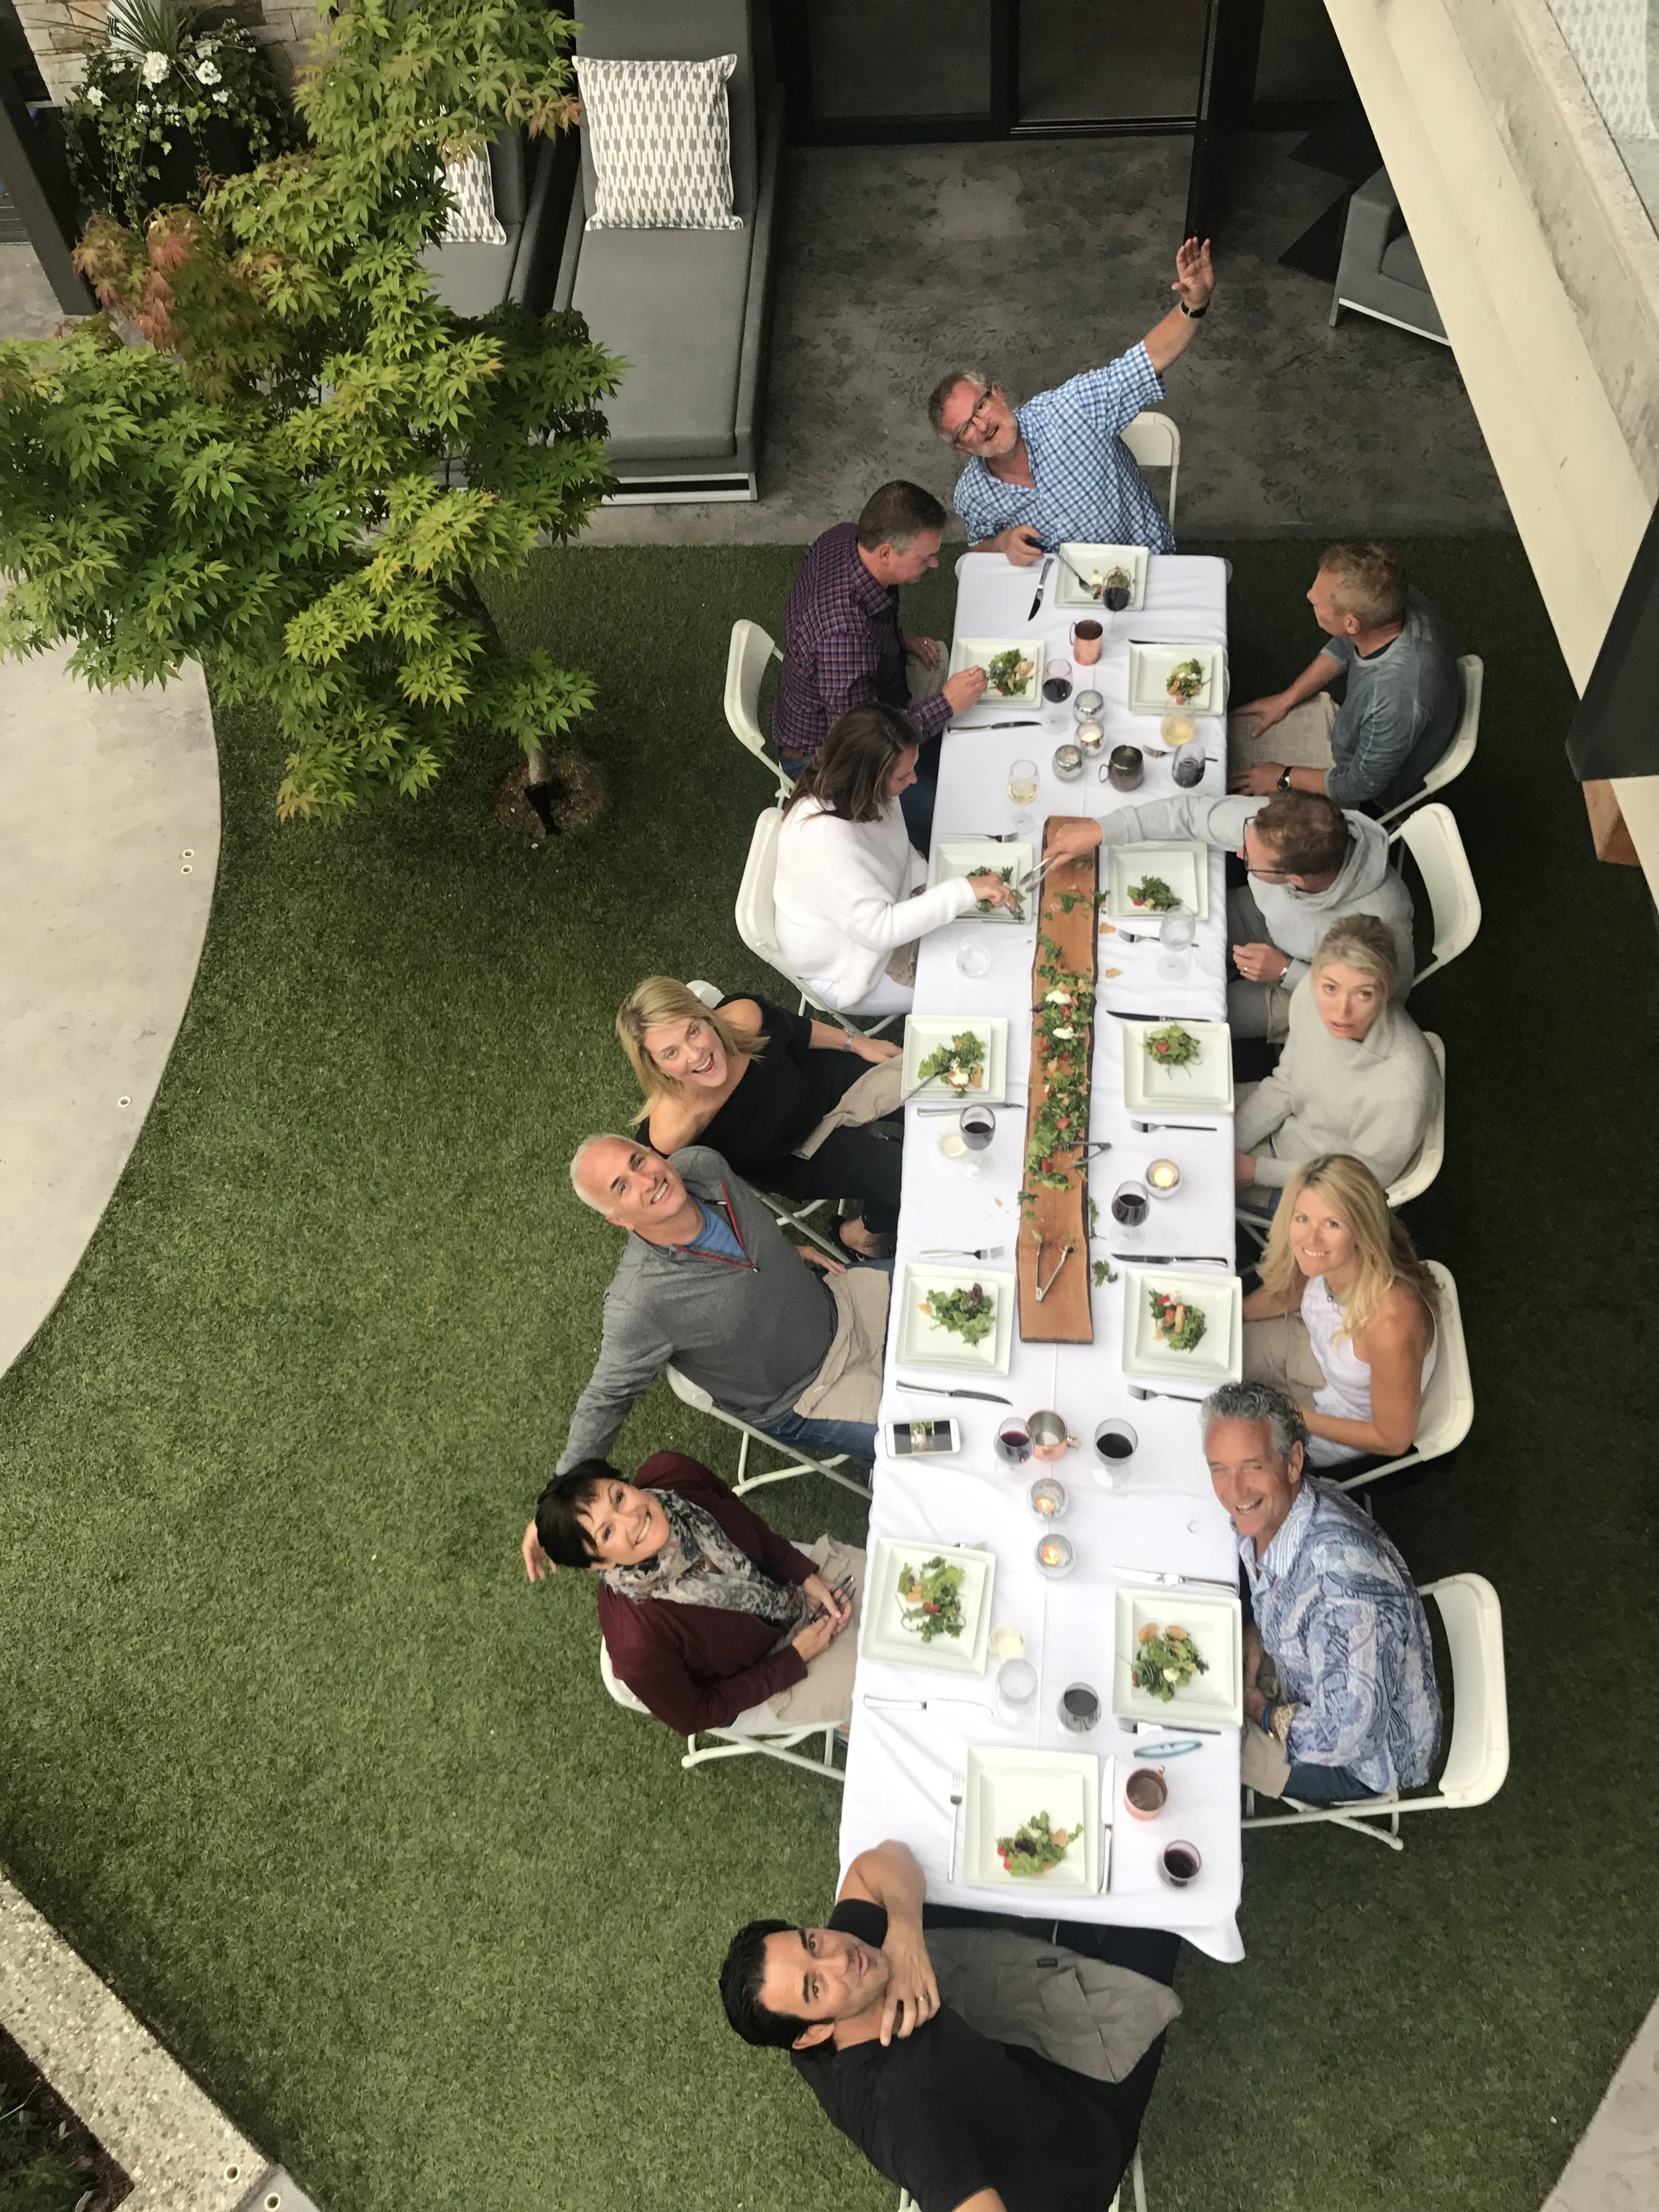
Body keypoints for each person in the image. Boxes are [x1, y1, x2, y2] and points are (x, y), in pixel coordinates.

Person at [719, 1838, 1181, 2212]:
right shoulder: (901, 2111)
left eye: (812, 1940)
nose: (840, 1956)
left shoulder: (840, 1981)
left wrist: (904, 1933)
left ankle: (1074, 1930)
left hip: (1005, 2050)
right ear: (812, 2035)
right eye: (814, 1986)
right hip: (1081, 2121)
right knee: (1164, 1873)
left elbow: (876, 1862)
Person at [554, 1137, 890, 1478]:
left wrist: (788, 1253)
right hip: (810, 1393)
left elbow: (745, 1251)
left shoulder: (704, 1166)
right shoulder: (638, 1303)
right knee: (936, 1426)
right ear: (619, 1220)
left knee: (943, 1288)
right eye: (622, 1187)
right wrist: (561, 1497)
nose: (646, 1180)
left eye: (637, 1162)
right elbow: (607, 1397)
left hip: (838, 1300)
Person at [1201, 1379, 1442, 1803]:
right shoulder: (1274, 1513)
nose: (1233, 1491)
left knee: (1201, 1743)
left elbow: (1349, 1738)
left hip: (1363, 1758)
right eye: (1219, 1468)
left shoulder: (1345, 1596)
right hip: (1310, 1675)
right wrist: (1258, 1632)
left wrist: (1259, 1709)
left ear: (1294, 1462)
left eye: (1253, 1466)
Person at [521, 1449, 862, 1735]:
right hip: (761, 1680)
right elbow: (698, 1714)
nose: (633, 1518)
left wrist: (802, 1574)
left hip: (790, 1588)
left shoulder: (672, 1472)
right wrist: (792, 1660)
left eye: (619, 1497)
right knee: (879, 1684)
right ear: (597, 1565)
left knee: (899, 1585)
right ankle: (848, 1725)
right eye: (608, 1532)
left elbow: (749, 1523)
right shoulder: (637, 1646)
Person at [928, 236, 1215, 564]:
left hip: (1147, 562)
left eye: (980, 406)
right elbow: (980, 545)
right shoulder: (972, 495)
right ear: (959, 447)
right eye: (965, 427)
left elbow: (1145, 362)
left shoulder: (1071, 409)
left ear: (998, 394)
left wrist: (1193, 305)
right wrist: (1002, 542)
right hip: (1061, 591)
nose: (983, 425)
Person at [1045, 786, 1414, 1039]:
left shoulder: (1380, 922)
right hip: (1263, 918)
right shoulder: (1278, 828)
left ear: (1296, 879)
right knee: (1146, 949)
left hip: (1311, 988)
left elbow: (1381, 1010)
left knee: (1182, 1017)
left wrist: (1287, 971)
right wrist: (1100, 830)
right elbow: (1189, 814)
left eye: (1251, 862)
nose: (1240, 855)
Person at [772, 479, 989, 853]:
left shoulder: (845, 539)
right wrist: (946, 704)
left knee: (974, 737)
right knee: (955, 815)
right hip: (835, 758)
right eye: (926, 557)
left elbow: (866, 623)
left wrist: (899, 643)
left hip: (874, 694)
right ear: (887, 552)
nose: (935, 563)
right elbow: (868, 745)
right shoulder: (843, 638)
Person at [616, 978, 903, 1258]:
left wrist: (857, 1043)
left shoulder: (743, 1017)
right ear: (656, 1067)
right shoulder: (671, 1132)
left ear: (706, 1016)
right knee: (899, 1171)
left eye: (693, 1031)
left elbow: (796, 1029)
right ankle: (861, 1236)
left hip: (820, 1081)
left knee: (932, 1083)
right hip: (794, 1156)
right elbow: (656, 1203)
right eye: (671, 1053)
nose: (695, 1055)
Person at [774, 703, 1019, 1015]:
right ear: (869, 778)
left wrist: (933, 885)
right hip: (851, 966)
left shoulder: (863, 792)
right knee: (974, 981)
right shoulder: (827, 841)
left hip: (881, 914)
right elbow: (878, 932)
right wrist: (962, 891)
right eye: (904, 776)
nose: (914, 781)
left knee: (985, 935)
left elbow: (900, 850)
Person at [1230, 544, 1461, 817]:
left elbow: (1361, 784)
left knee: (1229, 784)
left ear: (1352, 623)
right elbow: (1345, 645)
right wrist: (1286, 700)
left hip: (1363, 776)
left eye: (1318, 602)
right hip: (1361, 735)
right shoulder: (1389, 597)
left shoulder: (1393, 699)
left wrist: (1283, 778)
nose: (1309, 595)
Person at [1241, 1153, 1439, 1467]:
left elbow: (1393, 1440)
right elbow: (1291, 1293)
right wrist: (1231, 1316)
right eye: (1302, 1218)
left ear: (1363, 1230)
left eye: (1332, 1223)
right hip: (1317, 1353)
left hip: (1340, 1420)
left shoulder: (1390, 1321)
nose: (1311, 1238)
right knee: (1213, 1354)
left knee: (1233, 1445)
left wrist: (1292, 1414)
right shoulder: (1326, 1259)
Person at [1235, 915, 1440, 1213]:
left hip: (1325, 1187)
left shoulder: (1403, 1086)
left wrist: (1256, 1171)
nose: (1341, 1011)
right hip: (1287, 1131)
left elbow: (1360, 1179)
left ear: (1387, 992)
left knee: (1188, 1185)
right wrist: (1231, 1145)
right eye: (1330, 988)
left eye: (1364, 994)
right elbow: (1285, 1084)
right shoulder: (1308, 994)